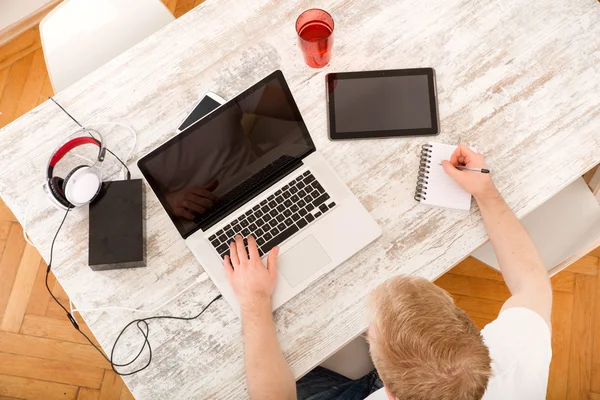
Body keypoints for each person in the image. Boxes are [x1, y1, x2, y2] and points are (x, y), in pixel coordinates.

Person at [223, 144, 553, 400]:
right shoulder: (519, 356)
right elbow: (533, 282)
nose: (368, 332)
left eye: (371, 334)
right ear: (470, 333)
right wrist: (485, 191)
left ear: (388, 391)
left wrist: (253, 301)